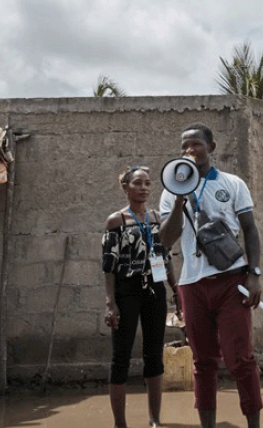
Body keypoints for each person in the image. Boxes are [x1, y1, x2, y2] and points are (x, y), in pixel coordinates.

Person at [159, 123, 263, 428]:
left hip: (232, 281)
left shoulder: (232, 184)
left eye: (196, 145)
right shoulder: (171, 190)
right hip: (192, 286)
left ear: (211, 148)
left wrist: (254, 274)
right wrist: (179, 198)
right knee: (202, 362)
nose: (189, 151)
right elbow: (166, 240)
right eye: (184, 147)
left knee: (240, 360)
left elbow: (250, 230)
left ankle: (254, 424)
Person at [102, 165, 181, 428]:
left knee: (153, 355)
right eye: (138, 183)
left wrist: (175, 288)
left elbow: (164, 256)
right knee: (120, 356)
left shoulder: (157, 219)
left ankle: (155, 420)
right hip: (126, 292)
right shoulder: (117, 221)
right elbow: (108, 265)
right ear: (125, 187)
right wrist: (110, 303)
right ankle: (120, 423)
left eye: (148, 183)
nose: (144, 188)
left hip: (154, 290)